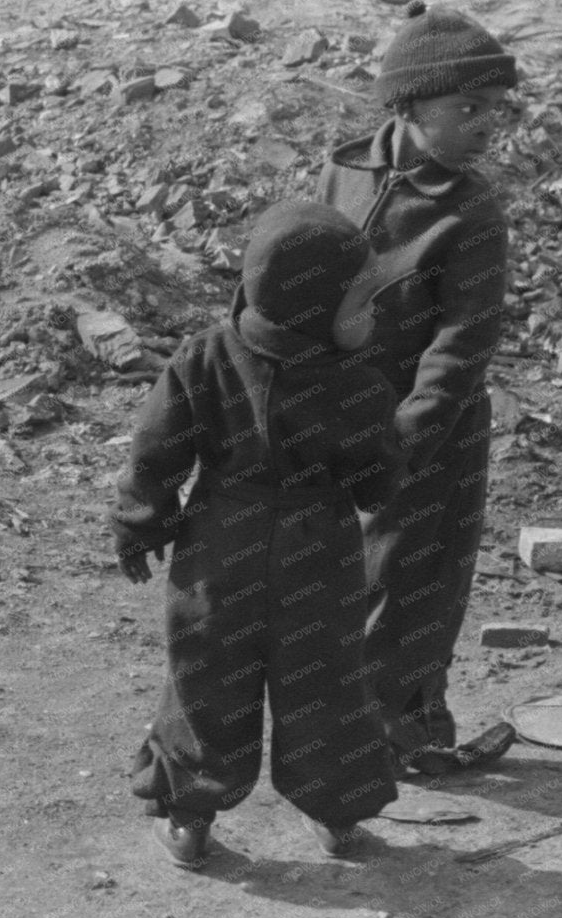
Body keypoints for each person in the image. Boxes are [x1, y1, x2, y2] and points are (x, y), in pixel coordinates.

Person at [111, 202, 405, 870]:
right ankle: (335, 808)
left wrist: (141, 523)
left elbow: (156, 450)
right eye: (362, 301)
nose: (376, 315)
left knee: (207, 675)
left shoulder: (205, 356)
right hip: (318, 549)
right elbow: (378, 476)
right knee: (324, 676)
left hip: (220, 546)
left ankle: (188, 814)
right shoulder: (356, 382)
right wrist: (390, 468)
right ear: (314, 305)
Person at [316, 0, 518, 776]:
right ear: (407, 105)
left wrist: (409, 434)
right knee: (339, 575)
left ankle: (408, 730)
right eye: (467, 108)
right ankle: (350, 728)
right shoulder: (344, 169)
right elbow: (303, 274)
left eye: (493, 112)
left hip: (435, 430)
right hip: (341, 410)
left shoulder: (472, 212)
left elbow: (465, 341)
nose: (484, 126)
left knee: (417, 582)